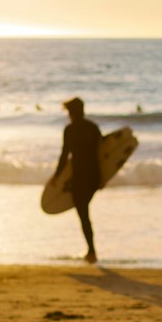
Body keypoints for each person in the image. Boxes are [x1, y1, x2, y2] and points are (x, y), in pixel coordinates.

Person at [50, 96, 102, 263]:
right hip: (94, 177)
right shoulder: (93, 127)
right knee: (85, 213)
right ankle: (91, 251)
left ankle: (92, 252)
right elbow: (103, 153)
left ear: (72, 113)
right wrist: (101, 178)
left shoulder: (70, 130)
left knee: (84, 215)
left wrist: (56, 176)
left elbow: (64, 156)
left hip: (79, 179)